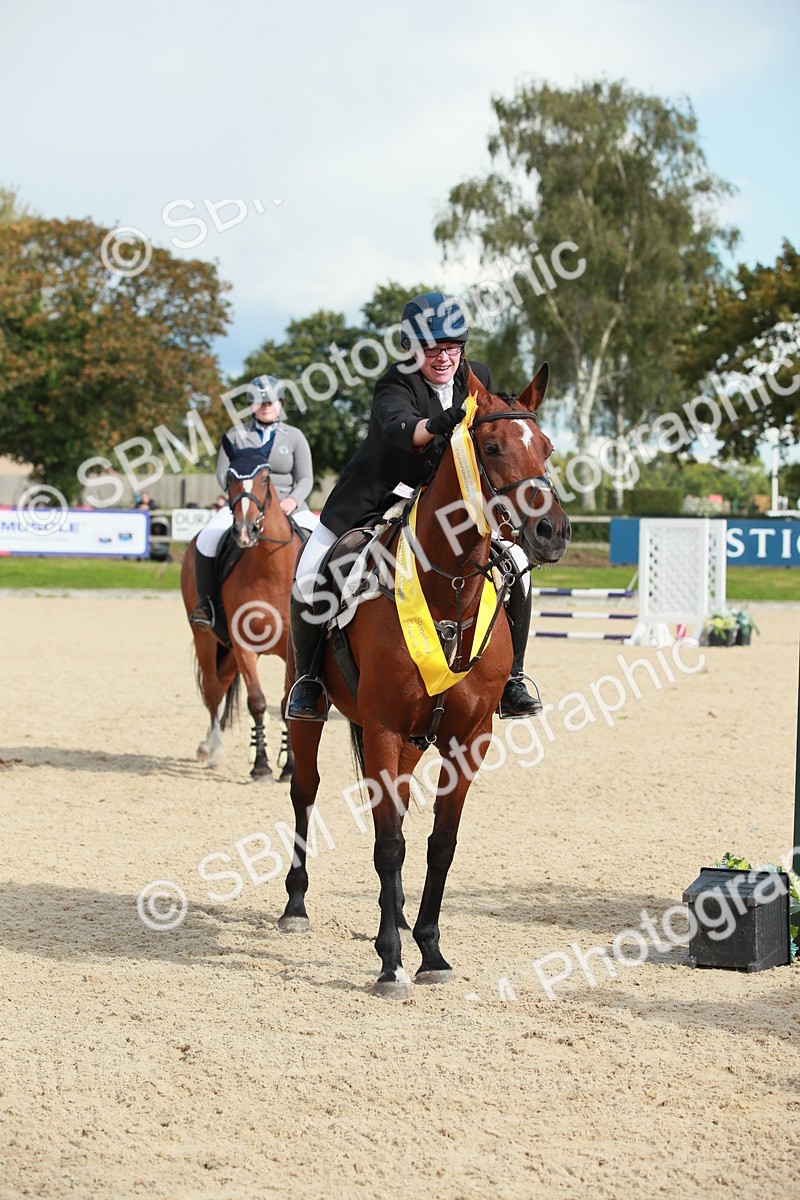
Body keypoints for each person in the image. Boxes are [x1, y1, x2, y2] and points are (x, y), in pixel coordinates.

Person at [287, 291, 540, 722]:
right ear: (412, 348)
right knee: (310, 572)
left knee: (515, 562)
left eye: (452, 347)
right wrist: (439, 422)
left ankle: (513, 677)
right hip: (378, 495)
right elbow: (404, 429)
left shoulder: (475, 375)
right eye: (431, 348)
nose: (443, 357)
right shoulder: (396, 382)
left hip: (447, 504)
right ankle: (309, 681)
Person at [189, 376, 318, 627]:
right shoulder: (235, 436)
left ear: (280, 403)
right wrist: (239, 500)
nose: (265, 405)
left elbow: (306, 478)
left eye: (271, 401)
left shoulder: (294, 436)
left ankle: (323, 604)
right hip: (245, 504)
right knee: (207, 539)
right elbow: (222, 474)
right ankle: (208, 606)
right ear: (251, 405)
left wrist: (292, 499)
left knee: (323, 543)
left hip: (288, 506)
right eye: (259, 401)